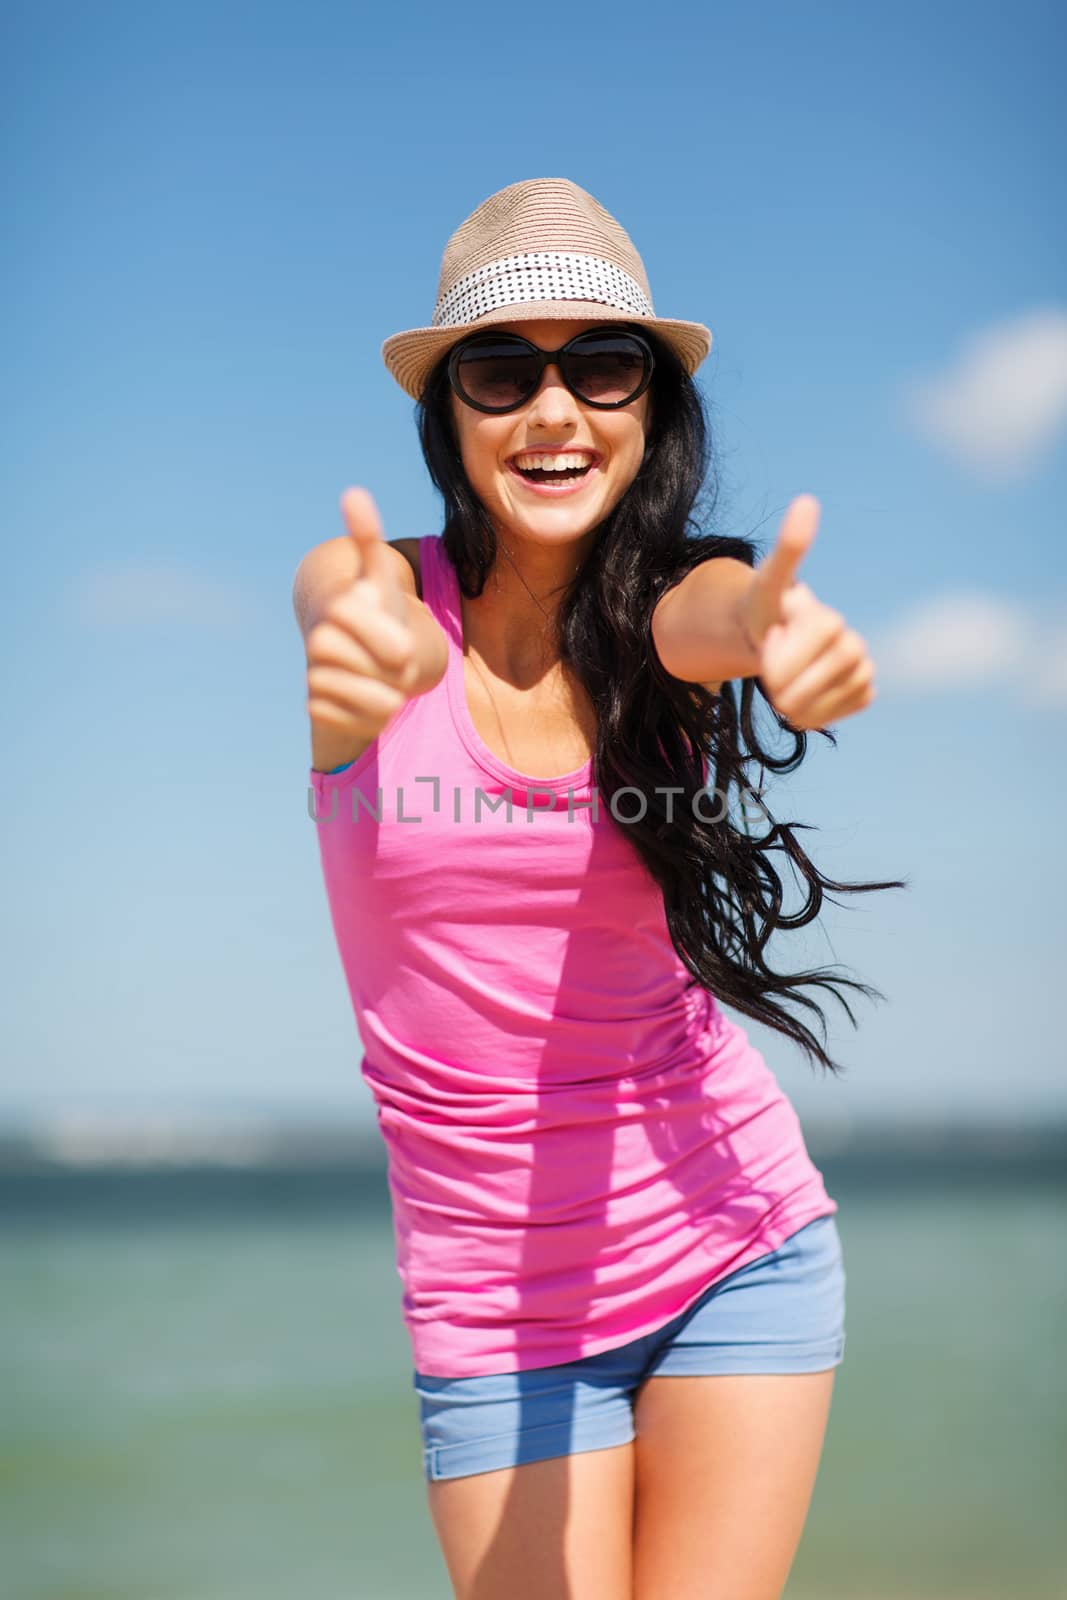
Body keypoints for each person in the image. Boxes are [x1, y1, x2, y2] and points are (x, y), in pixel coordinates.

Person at [292, 178, 906, 1600]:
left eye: (603, 366)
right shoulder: (376, 598)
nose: (554, 412)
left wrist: (780, 629)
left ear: (650, 407)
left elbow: (722, 614)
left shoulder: (672, 608)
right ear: (448, 413)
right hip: (493, 1309)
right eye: (503, 372)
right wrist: (353, 659)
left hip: (731, 1249)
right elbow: (340, 604)